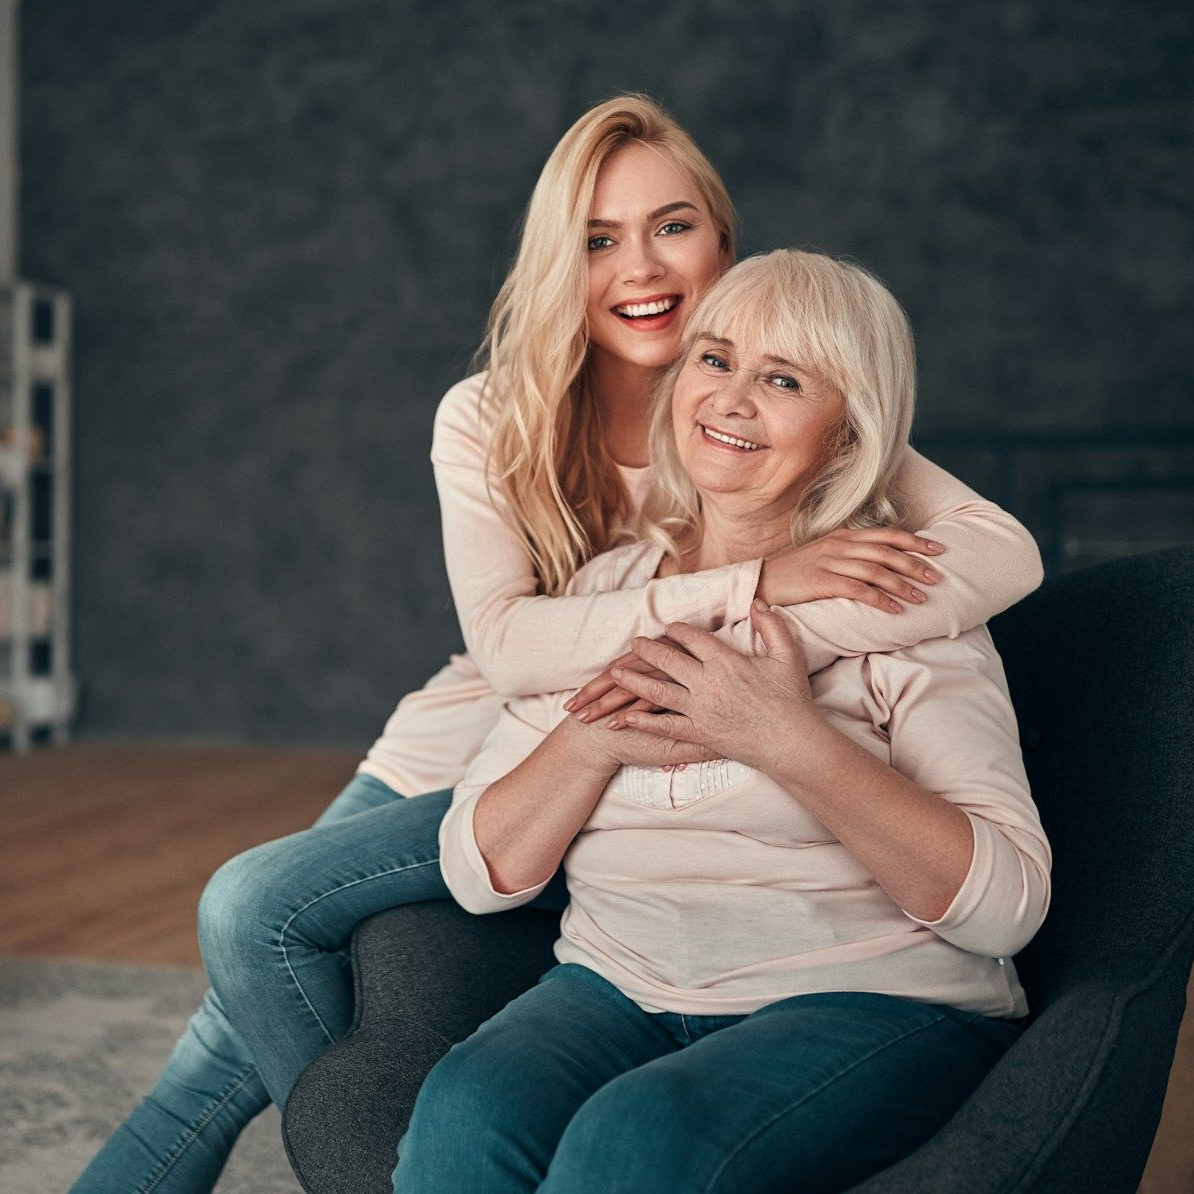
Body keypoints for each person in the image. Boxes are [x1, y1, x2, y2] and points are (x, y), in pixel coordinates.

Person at [71, 97, 1043, 1192]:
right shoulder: (499, 414)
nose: (642, 266)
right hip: (479, 733)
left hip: (707, 821)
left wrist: (759, 691)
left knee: (604, 1124)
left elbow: (1001, 551)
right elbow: (510, 651)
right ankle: (352, 1166)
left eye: (672, 226)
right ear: (560, 262)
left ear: (724, 246)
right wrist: (742, 595)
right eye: (597, 238)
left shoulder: (814, 406)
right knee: (250, 931)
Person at [393, 249, 1051, 1193]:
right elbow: (477, 873)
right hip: (618, 987)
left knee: (638, 1137)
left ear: (844, 435)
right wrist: (590, 741)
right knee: (465, 1108)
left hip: (872, 999)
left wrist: (785, 739)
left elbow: (1008, 911)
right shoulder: (604, 595)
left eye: (783, 379)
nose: (732, 400)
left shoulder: (900, 598)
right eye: (713, 360)